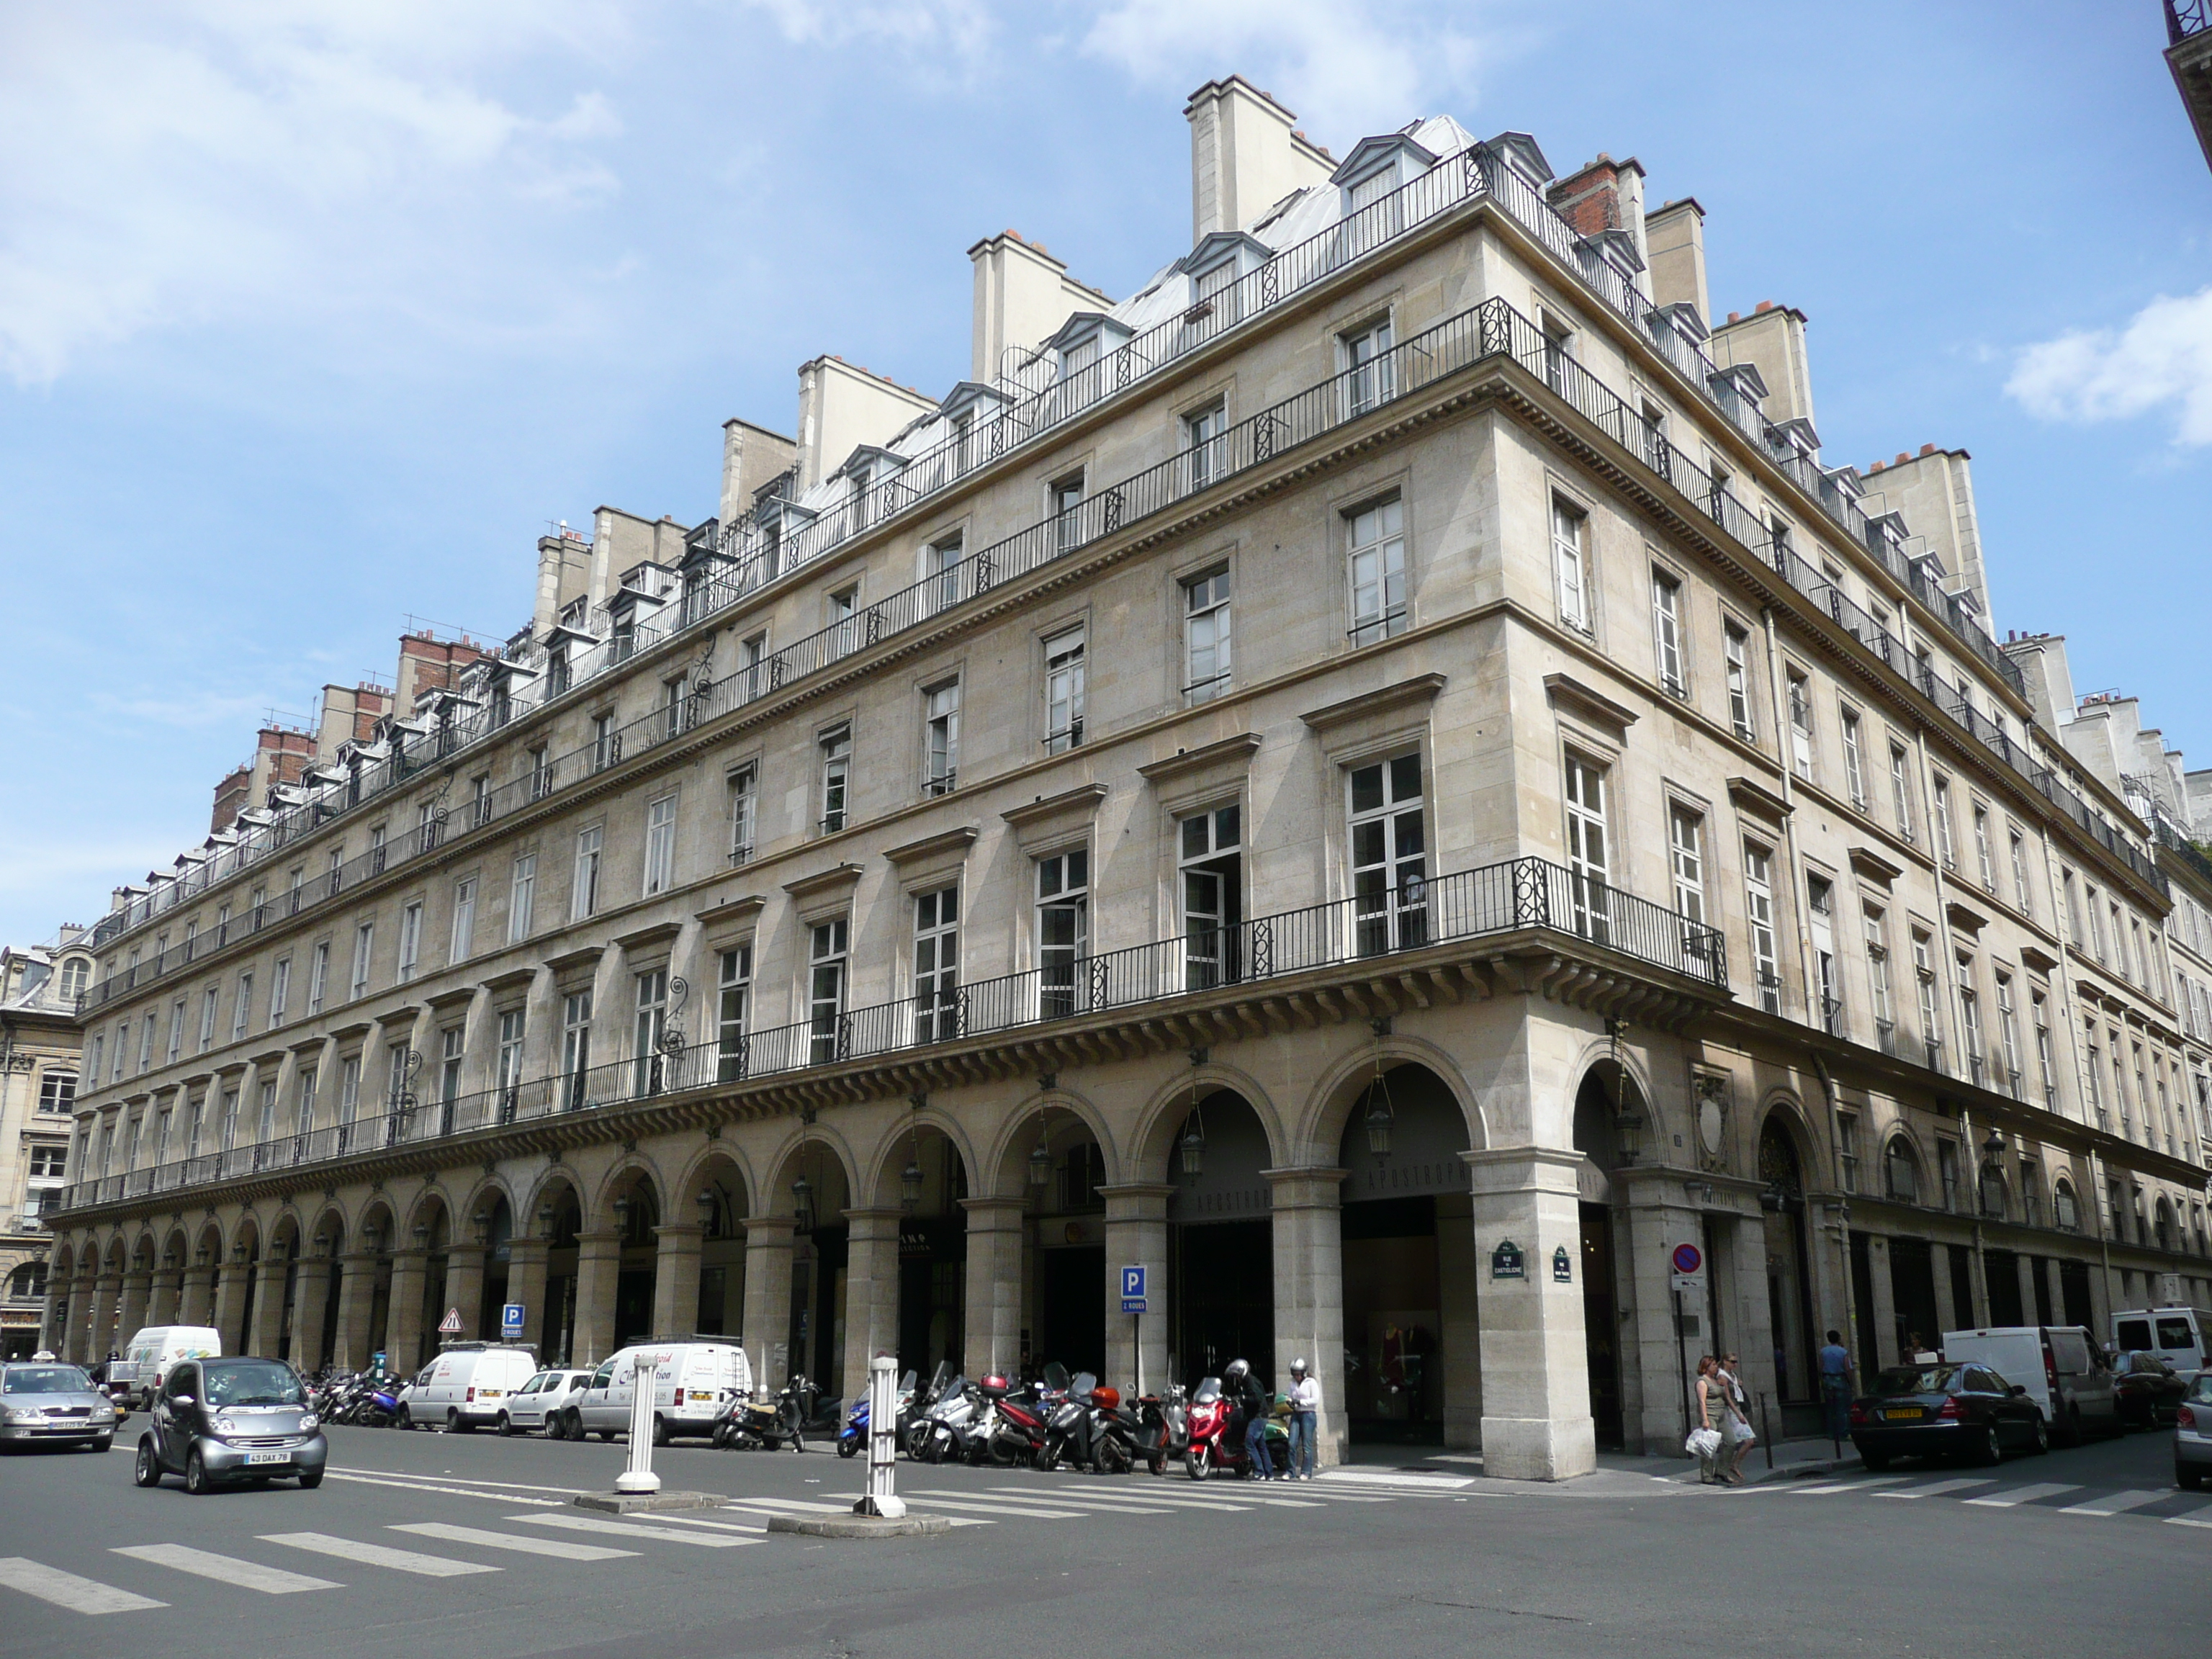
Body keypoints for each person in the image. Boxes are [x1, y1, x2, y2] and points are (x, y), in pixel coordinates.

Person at [1224, 1357, 1274, 1480]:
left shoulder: (1251, 1382)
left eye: (1237, 1375)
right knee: (1261, 1446)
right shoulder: (1247, 1383)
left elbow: (1257, 1399)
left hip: (1258, 1416)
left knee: (1249, 1443)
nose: (1237, 1378)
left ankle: (1259, 1472)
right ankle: (1269, 1474)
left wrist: (1242, 1399)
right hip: (1258, 1416)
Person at [1719, 1352, 1755, 1483]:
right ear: (1725, 1362)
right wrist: (1738, 1414)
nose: (1735, 1364)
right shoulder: (1722, 1376)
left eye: (1736, 1361)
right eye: (1732, 1361)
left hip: (1737, 1408)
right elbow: (1727, 1398)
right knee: (1745, 1441)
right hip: (1731, 1410)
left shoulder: (1733, 1375)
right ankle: (1730, 1466)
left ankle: (1731, 1466)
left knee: (1737, 1441)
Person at [1691, 1356, 1725, 1484]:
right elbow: (1702, 1401)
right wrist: (1705, 1419)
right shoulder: (1702, 1382)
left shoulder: (1716, 1380)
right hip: (1710, 1415)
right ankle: (1707, 1476)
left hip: (1721, 1414)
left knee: (1731, 1441)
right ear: (1706, 1367)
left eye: (1716, 1365)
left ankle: (1722, 1471)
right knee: (1709, 1446)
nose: (1716, 1367)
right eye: (1713, 1365)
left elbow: (1725, 1395)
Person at [1287, 1357, 1321, 1480]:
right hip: (1296, 1414)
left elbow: (1315, 1400)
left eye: (1298, 1374)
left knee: (1306, 1445)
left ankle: (1306, 1471)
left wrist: (1300, 1402)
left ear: (1304, 1373)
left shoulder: (1311, 1383)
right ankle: (1290, 1471)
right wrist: (1290, 1402)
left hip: (1308, 1414)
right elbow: (1290, 1396)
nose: (1297, 1377)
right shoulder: (1292, 1384)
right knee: (1291, 1443)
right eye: (1294, 1374)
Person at [1817, 1328, 1854, 1442]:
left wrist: (1822, 1379)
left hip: (1827, 1379)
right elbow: (1847, 1368)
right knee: (1842, 1408)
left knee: (1830, 1408)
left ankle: (1831, 1433)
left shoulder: (1823, 1351)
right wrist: (1851, 1382)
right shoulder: (1843, 1352)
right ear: (1838, 1338)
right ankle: (1843, 1433)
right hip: (1840, 1379)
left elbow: (1820, 1367)